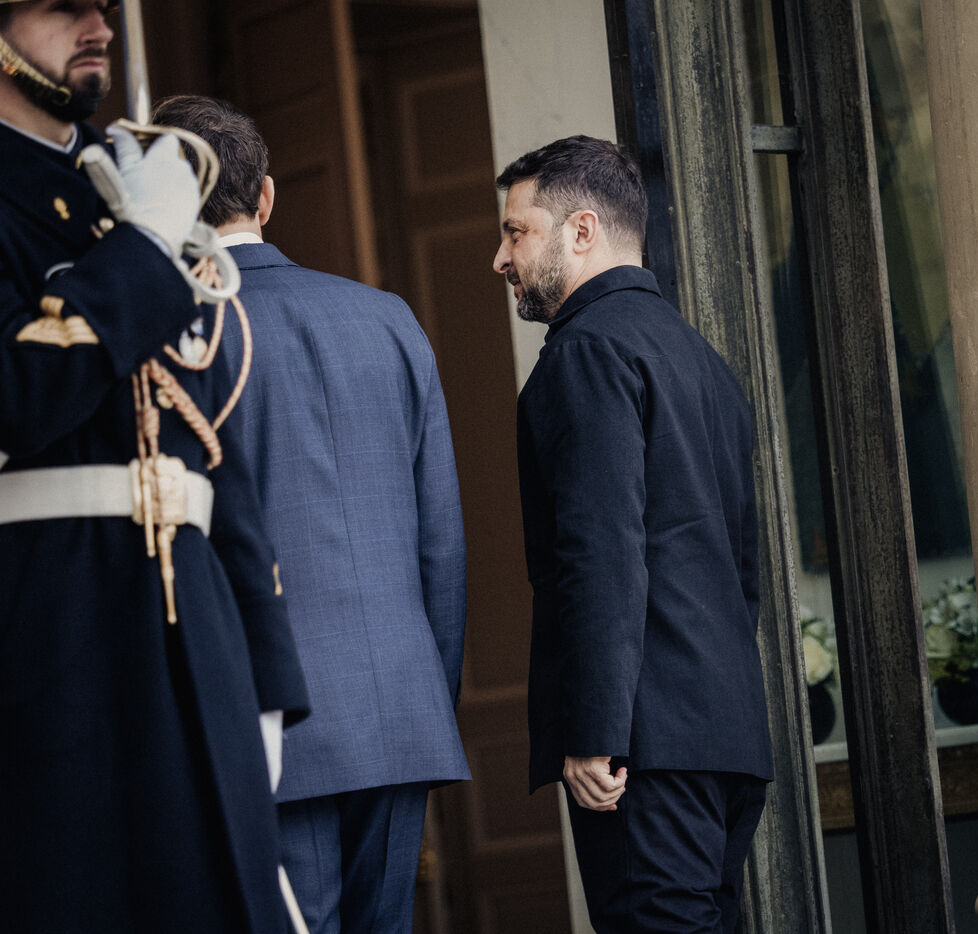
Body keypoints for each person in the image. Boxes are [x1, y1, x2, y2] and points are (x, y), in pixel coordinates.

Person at [0, 2, 309, 932]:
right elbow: (17, 393)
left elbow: (207, 441)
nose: (98, 24)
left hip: (194, 646)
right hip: (50, 642)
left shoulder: (133, 182)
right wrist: (141, 251)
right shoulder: (132, 214)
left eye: (103, 3)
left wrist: (263, 679)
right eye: (62, 6)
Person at [152, 93, 470, 934]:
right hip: (402, 711)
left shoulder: (176, 341)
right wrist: (426, 697)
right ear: (264, 198)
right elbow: (441, 544)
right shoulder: (389, 319)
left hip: (267, 718)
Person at [493, 135, 774, 932]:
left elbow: (599, 552)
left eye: (516, 232)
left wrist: (595, 732)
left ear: (581, 231)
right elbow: (740, 569)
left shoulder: (586, 351)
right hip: (723, 737)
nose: (501, 259)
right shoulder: (699, 359)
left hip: (640, 751)